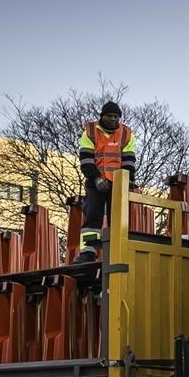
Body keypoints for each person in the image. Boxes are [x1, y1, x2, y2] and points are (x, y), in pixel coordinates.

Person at [73, 101, 136, 263]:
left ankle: (118, 253)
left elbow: (129, 160)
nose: (113, 119)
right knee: (93, 215)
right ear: (102, 116)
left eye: (116, 116)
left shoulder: (126, 134)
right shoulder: (90, 132)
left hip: (118, 184)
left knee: (119, 219)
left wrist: (128, 181)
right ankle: (88, 252)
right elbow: (86, 160)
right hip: (96, 181)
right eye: (109, 116)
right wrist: (96, 178)